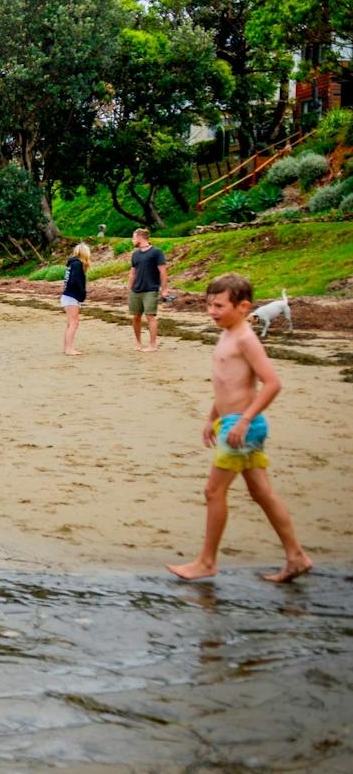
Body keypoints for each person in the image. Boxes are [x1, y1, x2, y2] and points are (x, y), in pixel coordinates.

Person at [167, 273, 312, 584]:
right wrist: (211, 418)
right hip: (232, 423)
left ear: (244, 306)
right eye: (208, 305)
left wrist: (244, 420)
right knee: (261, 492)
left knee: (213, 491)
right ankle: (296, 556)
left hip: (243, 426)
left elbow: (272, 384)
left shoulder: (246, 338)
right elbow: (226, 386)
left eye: (219, 306)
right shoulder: (227, 334)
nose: (212, 311)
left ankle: (207, 562)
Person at [127, 228, 169, 351]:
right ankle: (138, 343)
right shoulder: (135, 254)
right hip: (136, 290)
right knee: (136, 316)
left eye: (133, 238)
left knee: (150, 316)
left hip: (151, 289)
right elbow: (132, 273)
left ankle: (152, 345)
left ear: (140, 237)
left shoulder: (157, 252)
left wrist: (164, 289)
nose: (132, 240)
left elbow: (163, 271)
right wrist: (130, 288)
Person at [59, 242, 91, 356]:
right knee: (74, 323)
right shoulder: (77, 264)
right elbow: (75, 281)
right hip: (71, 296)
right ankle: (69, 349)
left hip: (68, 296)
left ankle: (67, 347)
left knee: (71, 323)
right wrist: (82, 294)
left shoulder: (72, 263)